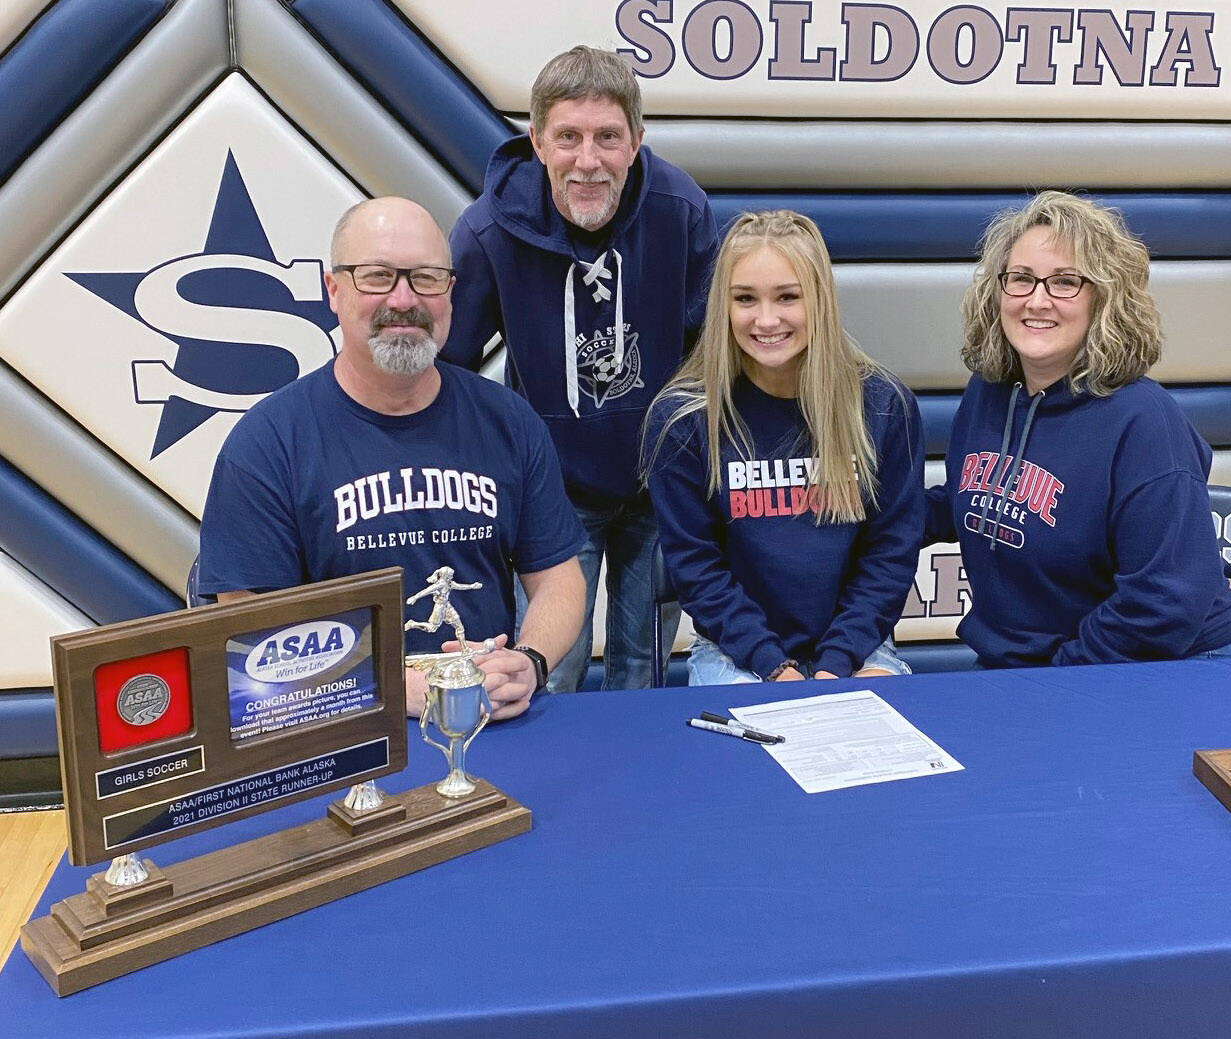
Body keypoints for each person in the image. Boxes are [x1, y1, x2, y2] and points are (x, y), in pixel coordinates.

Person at [199, 196, 587, 720]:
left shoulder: (509, 422)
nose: (404, 299)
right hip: (340, 732)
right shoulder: (268, 444)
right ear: (333, 290)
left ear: (450, 292)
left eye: (426, 277)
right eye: (378, 276)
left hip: (487, 721)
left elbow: (559, 579)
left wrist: (530, 662)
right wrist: (383, 689)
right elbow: (246, 632)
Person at [444, 45, 718, 692]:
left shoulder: (681, 211)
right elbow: (447, 362)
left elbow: (714, 351)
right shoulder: (489, 231)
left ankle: (633, 789)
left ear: (636, 142)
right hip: (553, 494)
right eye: (568, 137)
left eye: (607, 138)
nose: (588, 160)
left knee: (641, 666)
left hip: (660, 488)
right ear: (537, 141)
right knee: (548, 670)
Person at [926, 190, 1231, 667]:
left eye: (1064, 282)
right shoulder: (989, 393)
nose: (1037, 300)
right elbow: (969, 498)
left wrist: (1056, 679)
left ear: (1103, 298)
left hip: (1166, 663)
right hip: (1037, 665)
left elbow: (1164, 602)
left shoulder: (1145, 423)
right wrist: (854, 516)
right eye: (1021, 279)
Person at [645, 210, 923, 684]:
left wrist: (837, 663)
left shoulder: (882, 406)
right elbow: (698, 569)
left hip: (858, 649)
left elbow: (890, 556)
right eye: (745, 299)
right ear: (723, 306)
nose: (766, 319)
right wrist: (775, 667)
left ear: (820, 301)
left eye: (788, 297)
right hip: (735, 653)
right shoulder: (683, 419)